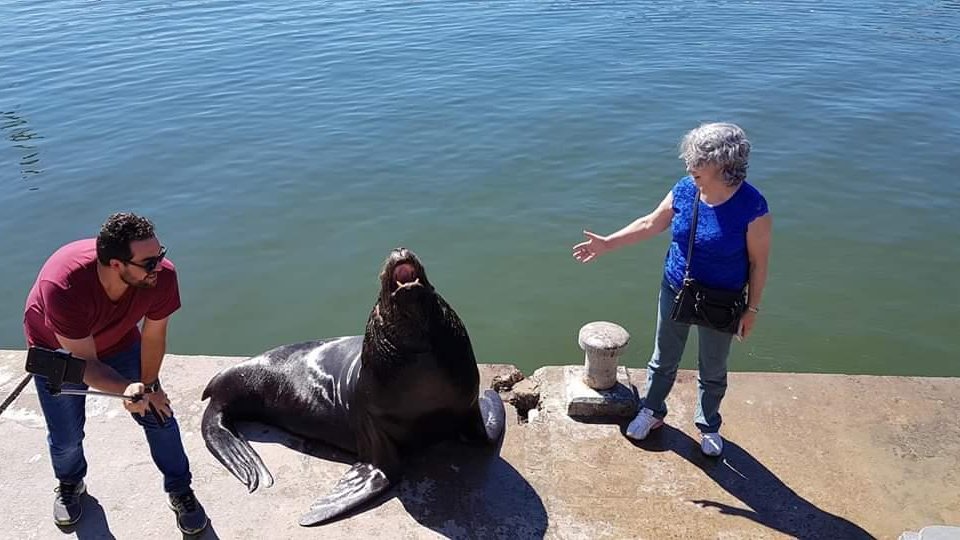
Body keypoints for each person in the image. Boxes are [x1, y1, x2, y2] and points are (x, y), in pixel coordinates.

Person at [572, 122, 772, 456]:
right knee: (663, 357)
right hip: (677, 287)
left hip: (722, 298)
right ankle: (652, 411)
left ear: (724, 164)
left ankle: (708, 424)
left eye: (697, 161)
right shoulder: (684, 189)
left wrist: (751, 309)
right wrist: (607, 244)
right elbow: (651, 223)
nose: (689, 166)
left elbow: (758, 263)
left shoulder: (752, 207)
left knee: (713, 367)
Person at [22, 212, 208, 534]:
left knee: (158, 413)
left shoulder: (160, 276)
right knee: (67, 436)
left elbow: (153, 335)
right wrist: (126, 389)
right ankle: (70, 483)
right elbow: (86, 364)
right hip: (60, 350)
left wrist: (148, 386)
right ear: (116, 265)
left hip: (119, 339)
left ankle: (180, 489)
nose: (159, 266)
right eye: (148, 262)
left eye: (160, 255)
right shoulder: (63, 286)